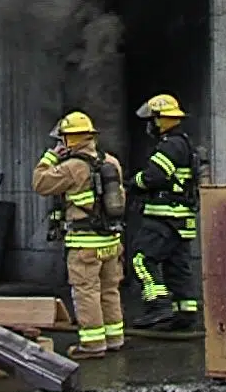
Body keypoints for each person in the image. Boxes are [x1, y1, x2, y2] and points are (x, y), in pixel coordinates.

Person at [33, 111, 127, 358]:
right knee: (109, 290)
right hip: (111, 241)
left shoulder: (72, 167)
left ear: (69, 140)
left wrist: (50, 156)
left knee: (86, 291)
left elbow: (40, 183)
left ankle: (93, 344)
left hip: (85, 244)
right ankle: (115, 337)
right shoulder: (112, 163)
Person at [127, 93, 204, 332]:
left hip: (164, 217)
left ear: (160, 120)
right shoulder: (184, 143)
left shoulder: (170, 145)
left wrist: (132, 182)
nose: (148, 126)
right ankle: (185, 313)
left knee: (141, 259)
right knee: (177, 266)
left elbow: (154, 176)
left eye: (151, 120)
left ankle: (157, 306)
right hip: (181, 219)